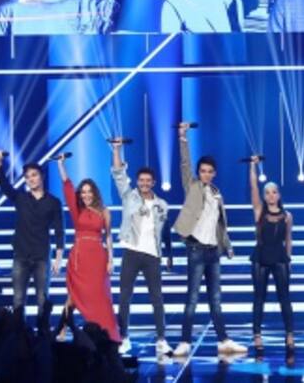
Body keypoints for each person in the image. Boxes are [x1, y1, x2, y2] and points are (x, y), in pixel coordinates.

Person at [170, 123, 246, 357]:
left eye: (209, 171)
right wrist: (183, 138)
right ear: (198, 172)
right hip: (196, 249)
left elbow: (220, 225)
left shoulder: (217, 194)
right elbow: (184, 164)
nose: (206, 174)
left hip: (214, 251)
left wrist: (228, 246)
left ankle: (223, 340)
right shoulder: (192, 186)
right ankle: (184, 341)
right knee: (192, 298)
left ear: (214, 173)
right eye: (203, 171)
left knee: (216, 299)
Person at [110, 137, 173, 355]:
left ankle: (161, 339)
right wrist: (116, 149)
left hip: (152, 255)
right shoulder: (129, 197)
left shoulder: (162, 204)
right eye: (141, 180)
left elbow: (165, 232)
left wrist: (169, 255)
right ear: (137, 181)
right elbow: (118, 174)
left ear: (153, 182)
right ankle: (124, 337)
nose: (144, 183)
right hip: (132, 252)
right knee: (124, 297)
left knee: (157, 298)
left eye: (148, 180)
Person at [0, 150, 64, 331]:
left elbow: (59, 230)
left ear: (41, 176)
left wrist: (58, 257)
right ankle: (19, 336)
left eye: (34, 175)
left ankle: (43, 336)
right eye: (27, 177)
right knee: (18, 299)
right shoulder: (20, 198)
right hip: (21, 255)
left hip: (42, 257)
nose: (31, 179)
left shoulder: (53, 202)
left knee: (42, 299)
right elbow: (4, 184)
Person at [54, 155, 120, 341]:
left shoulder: (104, 212)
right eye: (83, 192)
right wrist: (61, 165)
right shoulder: (77, 210)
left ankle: (106, 332)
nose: (86, 195)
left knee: (101, 296)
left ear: (95, 193)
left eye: (89, 192)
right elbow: (68, 188)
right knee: (73, 297)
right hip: (80, 257)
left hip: (98, 258)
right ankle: (61, 329)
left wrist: (111, 260)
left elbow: (108, 236)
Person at [247, 155, 294, 353]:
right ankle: (257, 335)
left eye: (274, 192)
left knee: (284, 297)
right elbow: (253, 187)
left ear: (279, 195)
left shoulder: (287, 216)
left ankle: (289, 333)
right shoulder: (259, 211)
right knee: (259, 297)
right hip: (261, 257)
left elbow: (288, 239)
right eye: (267, 192)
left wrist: (289, 260)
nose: (271, 195)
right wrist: (252, 167)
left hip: (280, 257)